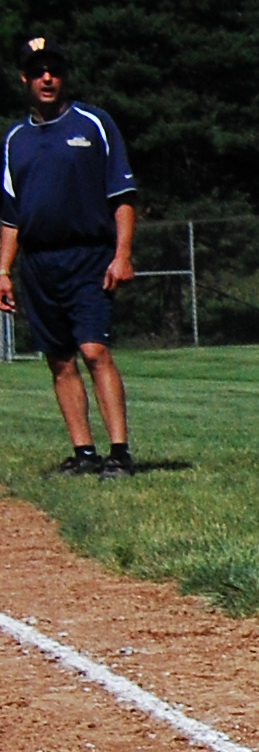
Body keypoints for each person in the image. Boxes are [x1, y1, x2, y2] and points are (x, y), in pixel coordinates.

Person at [1, 37, 140, 477]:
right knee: (59, 358)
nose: (47, 79)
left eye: (54, 71)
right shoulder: (15, 139)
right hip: (39, 263)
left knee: (94, 350)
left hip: (89, 256)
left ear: (64, 77)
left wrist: (122, 254)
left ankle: (119, 452)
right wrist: (3, 270)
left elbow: (122, 195)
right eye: (37, 71)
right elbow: (10, 215)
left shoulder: (94, 123)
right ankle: (84, 453)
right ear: (24, 79)